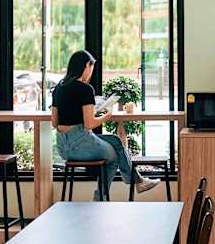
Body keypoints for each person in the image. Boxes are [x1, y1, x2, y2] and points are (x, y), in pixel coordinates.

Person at [51, 50, 159, 198]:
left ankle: (137, 181)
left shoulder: (59, 88)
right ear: (86, 66)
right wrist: (107, 116)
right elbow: (89, 124)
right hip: (81, 143)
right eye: (91, 67)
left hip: (62, 147)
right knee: (114, 157)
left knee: (115, 140)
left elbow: (54, 122)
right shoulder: (85, 89)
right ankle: (103, 196)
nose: (91, 72)